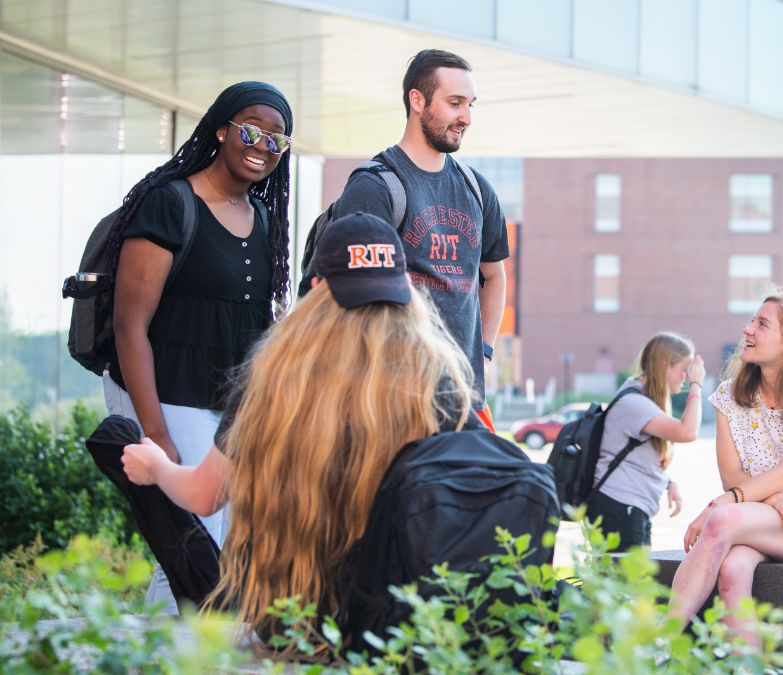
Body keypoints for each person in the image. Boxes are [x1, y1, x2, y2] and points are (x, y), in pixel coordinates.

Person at [121, 212, 476, 648]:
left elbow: (204, 495)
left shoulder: (274, 377)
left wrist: (155, 467)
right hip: (402, 623)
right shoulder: (437, 381)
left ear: (316, 291)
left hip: (294, 623)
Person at [102, 81, 293, 611]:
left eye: (277, 139)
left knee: (213, 547)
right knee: (198, 539)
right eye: (251, 130)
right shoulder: (171, 203)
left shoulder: (265, 219)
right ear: (222, 130)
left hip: (224, 409)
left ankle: (163, 655)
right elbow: (128, 325)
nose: (262, 145)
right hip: (164, 394)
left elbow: (255, 333)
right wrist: (156, 433)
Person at [327, 48, 508, 430]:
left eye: (471, 105)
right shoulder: (375, 186)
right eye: (455, 103)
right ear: (417, 100)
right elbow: (348, 300)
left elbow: (495, 276)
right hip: (394, 404)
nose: (467, 118)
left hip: (464, 402)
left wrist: (485, 354)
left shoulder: (477, 189)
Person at [667, 290, 783, 647]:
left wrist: (720, 506)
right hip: (763, 506)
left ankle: (657, 643)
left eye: (762, 324)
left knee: (721, 521)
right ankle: (748, 665)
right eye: (753, 320)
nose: (747, 329)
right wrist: (775, 501)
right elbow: (731, 476)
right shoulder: (728, 396)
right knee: (733, 568)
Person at [585, 332, 706, 552]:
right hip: (619, 507)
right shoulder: (635, 404)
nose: (687, 377)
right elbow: (687, 432)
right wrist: (697, 385)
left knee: (629, 583)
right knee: (627, 585)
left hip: (625, 507)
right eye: (684, 369)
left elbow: (637, 457)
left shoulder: (640, 398)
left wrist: (668, 482)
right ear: (665, 366)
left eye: (690, 373)